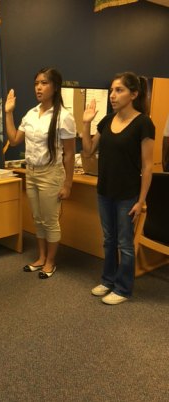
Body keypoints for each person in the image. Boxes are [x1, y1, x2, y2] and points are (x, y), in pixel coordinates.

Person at [82, 72, 155, 305]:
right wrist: (86, 122)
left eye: (119, 90)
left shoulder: (143, 123)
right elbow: (88, 151)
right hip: (105, 191)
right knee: (109, 239)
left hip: (127, 194)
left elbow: (147, 165)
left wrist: (141, 200)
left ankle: (123, 288)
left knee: (124, 243)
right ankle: (108, 280)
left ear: (134, 94)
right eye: (112, 90)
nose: (113, 95)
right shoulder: (105, 120)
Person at [5, 67, 76, 279]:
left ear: (55, 87)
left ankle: (51, 262)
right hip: (32, 172)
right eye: (36, 83)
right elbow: (14, 139)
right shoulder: (31, 114)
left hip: (51, 173)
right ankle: (41, 257)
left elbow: (70, 155)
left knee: (50, 220)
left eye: (44, 83)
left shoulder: (64, 116)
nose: (39, 87)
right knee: (37, 219)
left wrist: (68, 184)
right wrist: (9, 112)